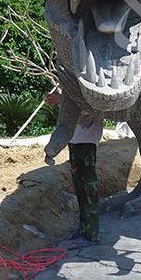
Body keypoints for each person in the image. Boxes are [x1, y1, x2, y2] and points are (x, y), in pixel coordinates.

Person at [44, 91, 103, 250]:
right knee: (80, 188)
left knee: (88, 187)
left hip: (86, 139)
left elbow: (91, 106)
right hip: (76, 139)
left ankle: (91, 234)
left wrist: (62, 100)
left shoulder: (91, 86)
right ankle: (84, 229)